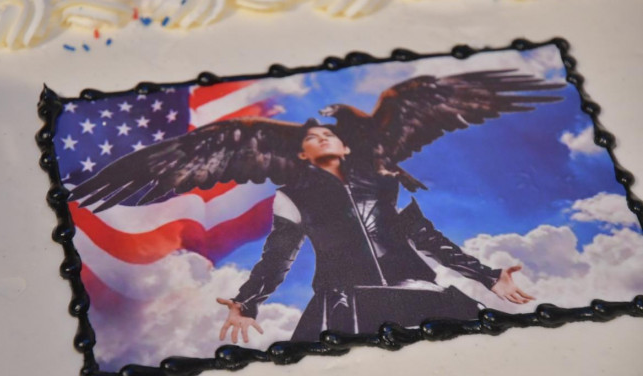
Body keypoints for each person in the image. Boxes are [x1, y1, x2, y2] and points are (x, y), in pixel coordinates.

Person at [217, 120, 533, 344]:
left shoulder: (387, 182)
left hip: (417, 292)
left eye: (329, 134)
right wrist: (246, 302)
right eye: (313, 137)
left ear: (345, 146)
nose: (323, 138)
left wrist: (487, 276)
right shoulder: (291, 196)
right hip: (344, 300)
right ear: (302, 154)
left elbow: (428, 238)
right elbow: (276, 259)